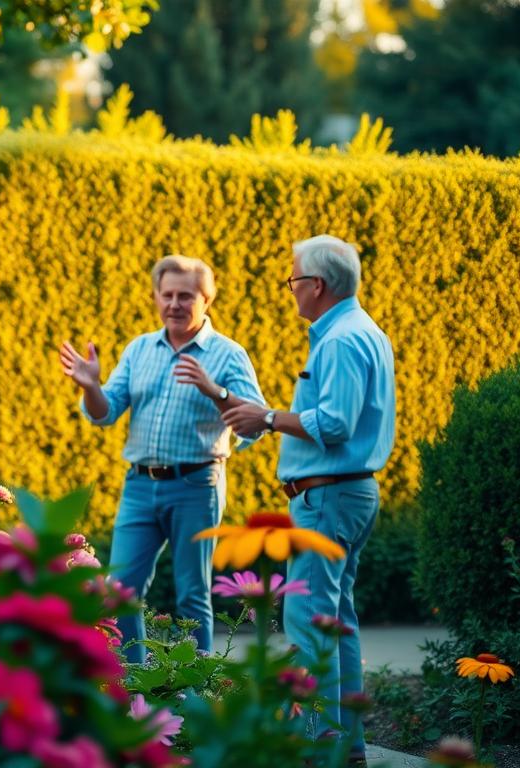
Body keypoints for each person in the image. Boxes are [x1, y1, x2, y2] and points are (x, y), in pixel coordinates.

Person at [222, 235, 396, 760]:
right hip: (346, 496)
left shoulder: (340, 340)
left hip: (327, 500)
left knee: (311, 626)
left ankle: (321, 752)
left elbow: (336, 424)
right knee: (335, 622)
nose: (291, 290)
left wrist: (267, 418)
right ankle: (348, 749)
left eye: (294, 280)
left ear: (316, 285)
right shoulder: (364, 332)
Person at [59, 254, 265, 662]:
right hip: (139, 486)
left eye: (185, 296)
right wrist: (90, 386)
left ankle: (197, 693)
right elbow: (105, 413)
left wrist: (215, 391)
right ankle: (137, 686)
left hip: (196, 486)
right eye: (167, 294)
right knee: (120, 591)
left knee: (192, 595)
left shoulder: (228, 355)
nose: (174, 304)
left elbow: (256, 426)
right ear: (156, 297)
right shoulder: (139, 349)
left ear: (207, 300)